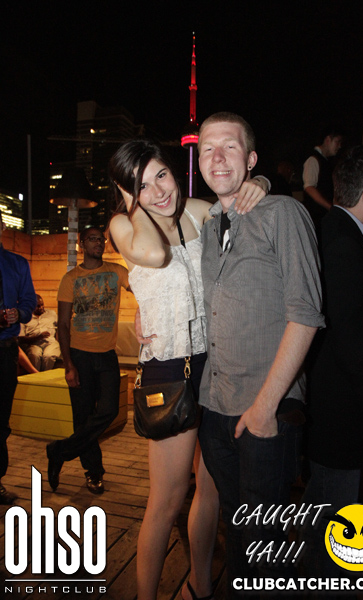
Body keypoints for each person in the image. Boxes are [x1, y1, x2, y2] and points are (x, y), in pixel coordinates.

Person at [108, 138, 269, 600]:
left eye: (161, 175)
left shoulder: (198, 213)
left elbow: (245, 201)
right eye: (142, 185)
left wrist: (260, 181)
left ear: (175, 171)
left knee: (211, 489)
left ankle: (199, 586)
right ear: (126, 193)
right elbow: (155, 256)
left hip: (214, 364)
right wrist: (134, 201)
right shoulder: (124, 224)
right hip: (167, 367)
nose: (159, 191)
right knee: (167, 498)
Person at [196, 112, 324, 597]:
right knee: (237, 534)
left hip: (265, 410)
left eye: (229, 147)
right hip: (215, 408)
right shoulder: (209, 223)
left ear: (250, 159)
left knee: (265, 545)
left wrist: (266, 408)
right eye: (207, 149)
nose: (217, 157)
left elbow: (306, 315)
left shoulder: (283, 214)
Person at [302, 144, 363, 577]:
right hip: (342, 419)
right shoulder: (342, 243)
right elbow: (351, 342)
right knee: (333, 535)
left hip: (342, 417)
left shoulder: (340, 233)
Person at [46, 226, 130, 495]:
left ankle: (59, 450)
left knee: (109, 410)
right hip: (79, 355)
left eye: (101, 239)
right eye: (92, 239)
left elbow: (144, 287)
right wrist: (68, 365)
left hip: (106, 355)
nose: (99, 243)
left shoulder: (117, 272)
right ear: (82, 245)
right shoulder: (71, 278)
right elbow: (63, 324)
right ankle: (94, 472)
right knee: (82, 417)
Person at [0, 210, 36, 504]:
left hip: (5, 350)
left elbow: (28, 301)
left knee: (1, 420)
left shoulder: (17, 264)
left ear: (1, 227)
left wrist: (19, 313)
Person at [302, 126, 342, 229]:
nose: (339, 146)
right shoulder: (313, 160)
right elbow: (309, 188)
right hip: (316, 220)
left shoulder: (326, 162)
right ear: (328, 140)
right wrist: (330, 207)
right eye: (337, 142)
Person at [19, 294, 61, 371]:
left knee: (48, 356)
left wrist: (59, 340)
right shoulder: (25, 317)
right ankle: (35, 375)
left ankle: (45, 375)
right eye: (38, 306)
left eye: (42, 305)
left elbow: (60, 327)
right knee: (34, 355)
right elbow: (21, 339)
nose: (41, 307)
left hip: (50, 342)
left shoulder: (51, 314)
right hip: (34, 343)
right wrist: (38, 337)